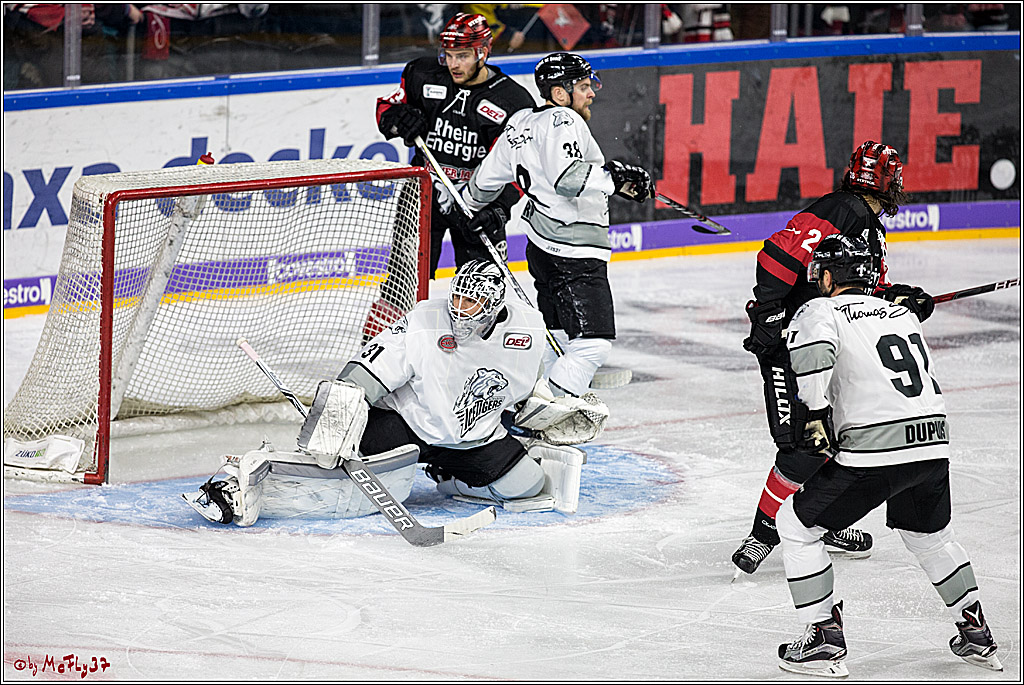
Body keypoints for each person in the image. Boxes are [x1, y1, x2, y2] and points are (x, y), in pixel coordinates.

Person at [183, 260, 609, 525]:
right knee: (340, 485)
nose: (459, 313)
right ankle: (240, 486)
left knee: (529, 486)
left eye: (471, 307)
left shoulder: (528, 329)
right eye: (456, 301)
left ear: (496, 308)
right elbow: (368, 369)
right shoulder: (425, 319)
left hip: (472, 438)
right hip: (405, 428)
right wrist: (338, 413)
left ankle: (447, 476)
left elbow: (528, 389)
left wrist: (549, 409)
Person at [774, 235, 1001, 677]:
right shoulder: (901, 314)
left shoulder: (821, 309)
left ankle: (822, 635)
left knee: (796, 527)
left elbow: (815, 354)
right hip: (933, 443)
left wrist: (816, 414)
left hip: (876, 449)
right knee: (930, 538)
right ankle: (976, 631)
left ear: (824, 276)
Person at [733, 140, 937, 575]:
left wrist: (899, 301)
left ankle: (822, 518)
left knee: (839, 434)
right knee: (805, 445)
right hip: (799, 344)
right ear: (883, 180)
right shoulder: (844, 209)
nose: (900, 185)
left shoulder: (863, 220)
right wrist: (769, 312)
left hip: (832, 345)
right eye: (894, 176)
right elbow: (778, 256)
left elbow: (856, 291)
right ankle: (762, 534)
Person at [459, 52, 654, 397]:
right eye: (582, 86)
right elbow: (567, 178)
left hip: (540, 247)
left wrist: (470, 209)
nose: (591, 92)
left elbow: (482, 183)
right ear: (560, 93)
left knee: (558, 337)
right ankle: (550, 411)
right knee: (593, 345)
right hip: (574, 251)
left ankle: (537, 401)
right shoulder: (565, 118)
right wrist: (614, 178)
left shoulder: (520, 123)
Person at [374, 12, 535, 279]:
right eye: (448, 55)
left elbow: (522, 170)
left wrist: (499, 208)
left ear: (482, 53)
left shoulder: (512, 101)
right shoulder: (423, 74)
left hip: (479, 205)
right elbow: (385, 109)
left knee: (482, 291)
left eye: (462, 56)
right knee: (402, 283)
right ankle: (392, 322)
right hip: (421, 196)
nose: (453, 65)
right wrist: (398, 119)